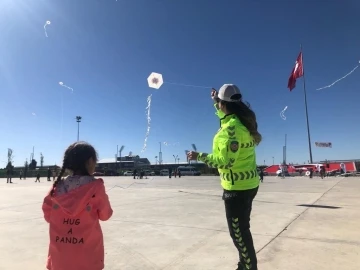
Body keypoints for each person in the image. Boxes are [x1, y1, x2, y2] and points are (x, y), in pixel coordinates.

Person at [187, 85, 261, 270]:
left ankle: (248, 267)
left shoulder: (232, 129)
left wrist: (199, 157)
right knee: (242, 230)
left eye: (219, 102)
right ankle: (244, 265)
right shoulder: (239, 122)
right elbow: (224, 117)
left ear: (223, 104)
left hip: (237, 189)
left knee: (239, 234)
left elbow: (225, 161)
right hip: (248, 184)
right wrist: (216, 102)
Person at [42, 141, 113, 270]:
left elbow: (48, 215)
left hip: (60, 257)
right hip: (88, 257)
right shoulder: (95, 187)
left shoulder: (58, 186)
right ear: (90, 161)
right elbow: (105, 215)